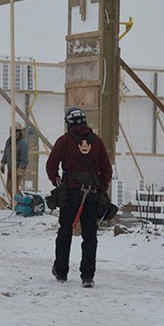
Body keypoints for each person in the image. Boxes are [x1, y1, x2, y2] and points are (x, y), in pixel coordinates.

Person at [46, 107, 112, 288]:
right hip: (92, 194)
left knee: (65, 231)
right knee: (90, 234)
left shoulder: (65, 140)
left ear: (68, 123)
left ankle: (61, 271)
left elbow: (51, 165)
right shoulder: (97, 142)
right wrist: (101, 188)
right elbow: (107, 169)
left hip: (70, 193)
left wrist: (57, 182)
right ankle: (88, 276)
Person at [0, 123, 29, 193]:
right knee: (8, 188)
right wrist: (3, 163)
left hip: (18, 170)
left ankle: (20, 202)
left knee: (12, 188)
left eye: (17, 131)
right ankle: (14, 202)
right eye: (14, 131)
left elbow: (24, 159)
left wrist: (20, 170)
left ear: (20, 132)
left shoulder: (23, 143)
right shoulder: (9, 141)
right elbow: (6, 153)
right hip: (10, 170)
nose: (16, 133)